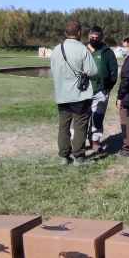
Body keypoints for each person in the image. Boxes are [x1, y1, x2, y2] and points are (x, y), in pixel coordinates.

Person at [50, 19, 98, 166]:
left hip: (62, 95)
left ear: (65, 33)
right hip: (79, 95)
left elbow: (53, 70)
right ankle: (79, 156)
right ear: (79, 33)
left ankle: (64, 156)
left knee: (64, 126)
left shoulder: (57, 50)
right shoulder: (83, 49)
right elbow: (93, 72)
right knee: (80, 125)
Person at [70, 26, 118, 150]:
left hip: (100, 91)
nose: (95, 39)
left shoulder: (107, 52)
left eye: (97, 38)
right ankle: (74, 138)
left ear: (102, 37)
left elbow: (113, 72)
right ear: (88, 37)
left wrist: (107, 87)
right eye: (92, 38)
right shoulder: (80, 49)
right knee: (79, 115)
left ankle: (94, 140)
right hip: (81, 90)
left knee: (97, 117)